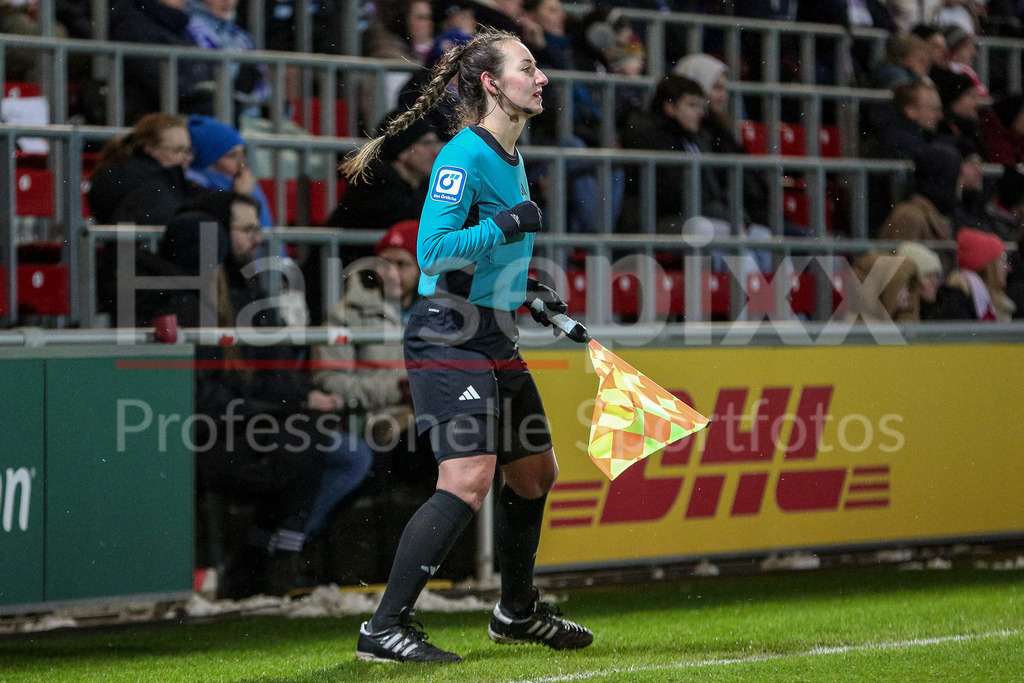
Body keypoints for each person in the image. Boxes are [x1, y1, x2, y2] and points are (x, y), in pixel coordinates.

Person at [340, 27, 593, 663]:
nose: (541, 78)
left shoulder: (511, 156)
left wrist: (526, 290)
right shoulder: (462, 156)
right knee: (468, 476)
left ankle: (516, 611)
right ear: (491, 84)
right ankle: (384, 628)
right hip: (448, 334)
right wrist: (506, 224)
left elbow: (478, 260)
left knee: (535, 474)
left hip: (491, 330)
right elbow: (431, 252)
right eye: (527, 68)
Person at [157, 191, 373, 596]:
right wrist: (283, 407)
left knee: (337, 447)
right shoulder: (189, 305)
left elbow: (272, 369)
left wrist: (292, 402)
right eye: (246, 229)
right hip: (207, 436)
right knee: (310, 443)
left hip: (242, 423)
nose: (257, 239)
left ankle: (265, 552)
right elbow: (210, 396)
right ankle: (275, 555)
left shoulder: (244, 291)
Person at [109, 0, 214, 124]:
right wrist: (198, 90)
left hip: (182, 108)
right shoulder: (132, 20)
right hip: (152, 116)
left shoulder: (178, 22)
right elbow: (153, 77)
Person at [87, 112, 201, 225]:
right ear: (149, 148)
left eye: (188, 150)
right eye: (177, 150)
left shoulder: (122, 170)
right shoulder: (149, 183)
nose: (187, 158)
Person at [185, 0, 270, 122]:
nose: (227, 1)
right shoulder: (190, 29)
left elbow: (263, 88)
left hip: (248, 115)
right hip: (210, 116)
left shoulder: (241, 36)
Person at [186, 114, 273, 227]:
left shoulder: (245, 183)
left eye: (243, 154)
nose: (242, 163)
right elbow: (209, 236)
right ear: (209, 162)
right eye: (232, 156)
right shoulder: (197, 190)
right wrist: (242, 197)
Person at [878, 142, 961, 252]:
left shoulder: (937, 215)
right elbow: (900, 261)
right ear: (946, 179)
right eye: (958, 175)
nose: (961, 183)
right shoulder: (910, 217)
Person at [931, 227, 1015, 321]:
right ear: (989, 266)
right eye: (1003, 260)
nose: (1008, 268)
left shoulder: (996, 302)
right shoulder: (957, 301)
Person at [898, 241, 945, 320]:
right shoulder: (900, 313)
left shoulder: (942, 308)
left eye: (936, 275)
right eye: (928, 276)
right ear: (911, 279)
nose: (936, 282)